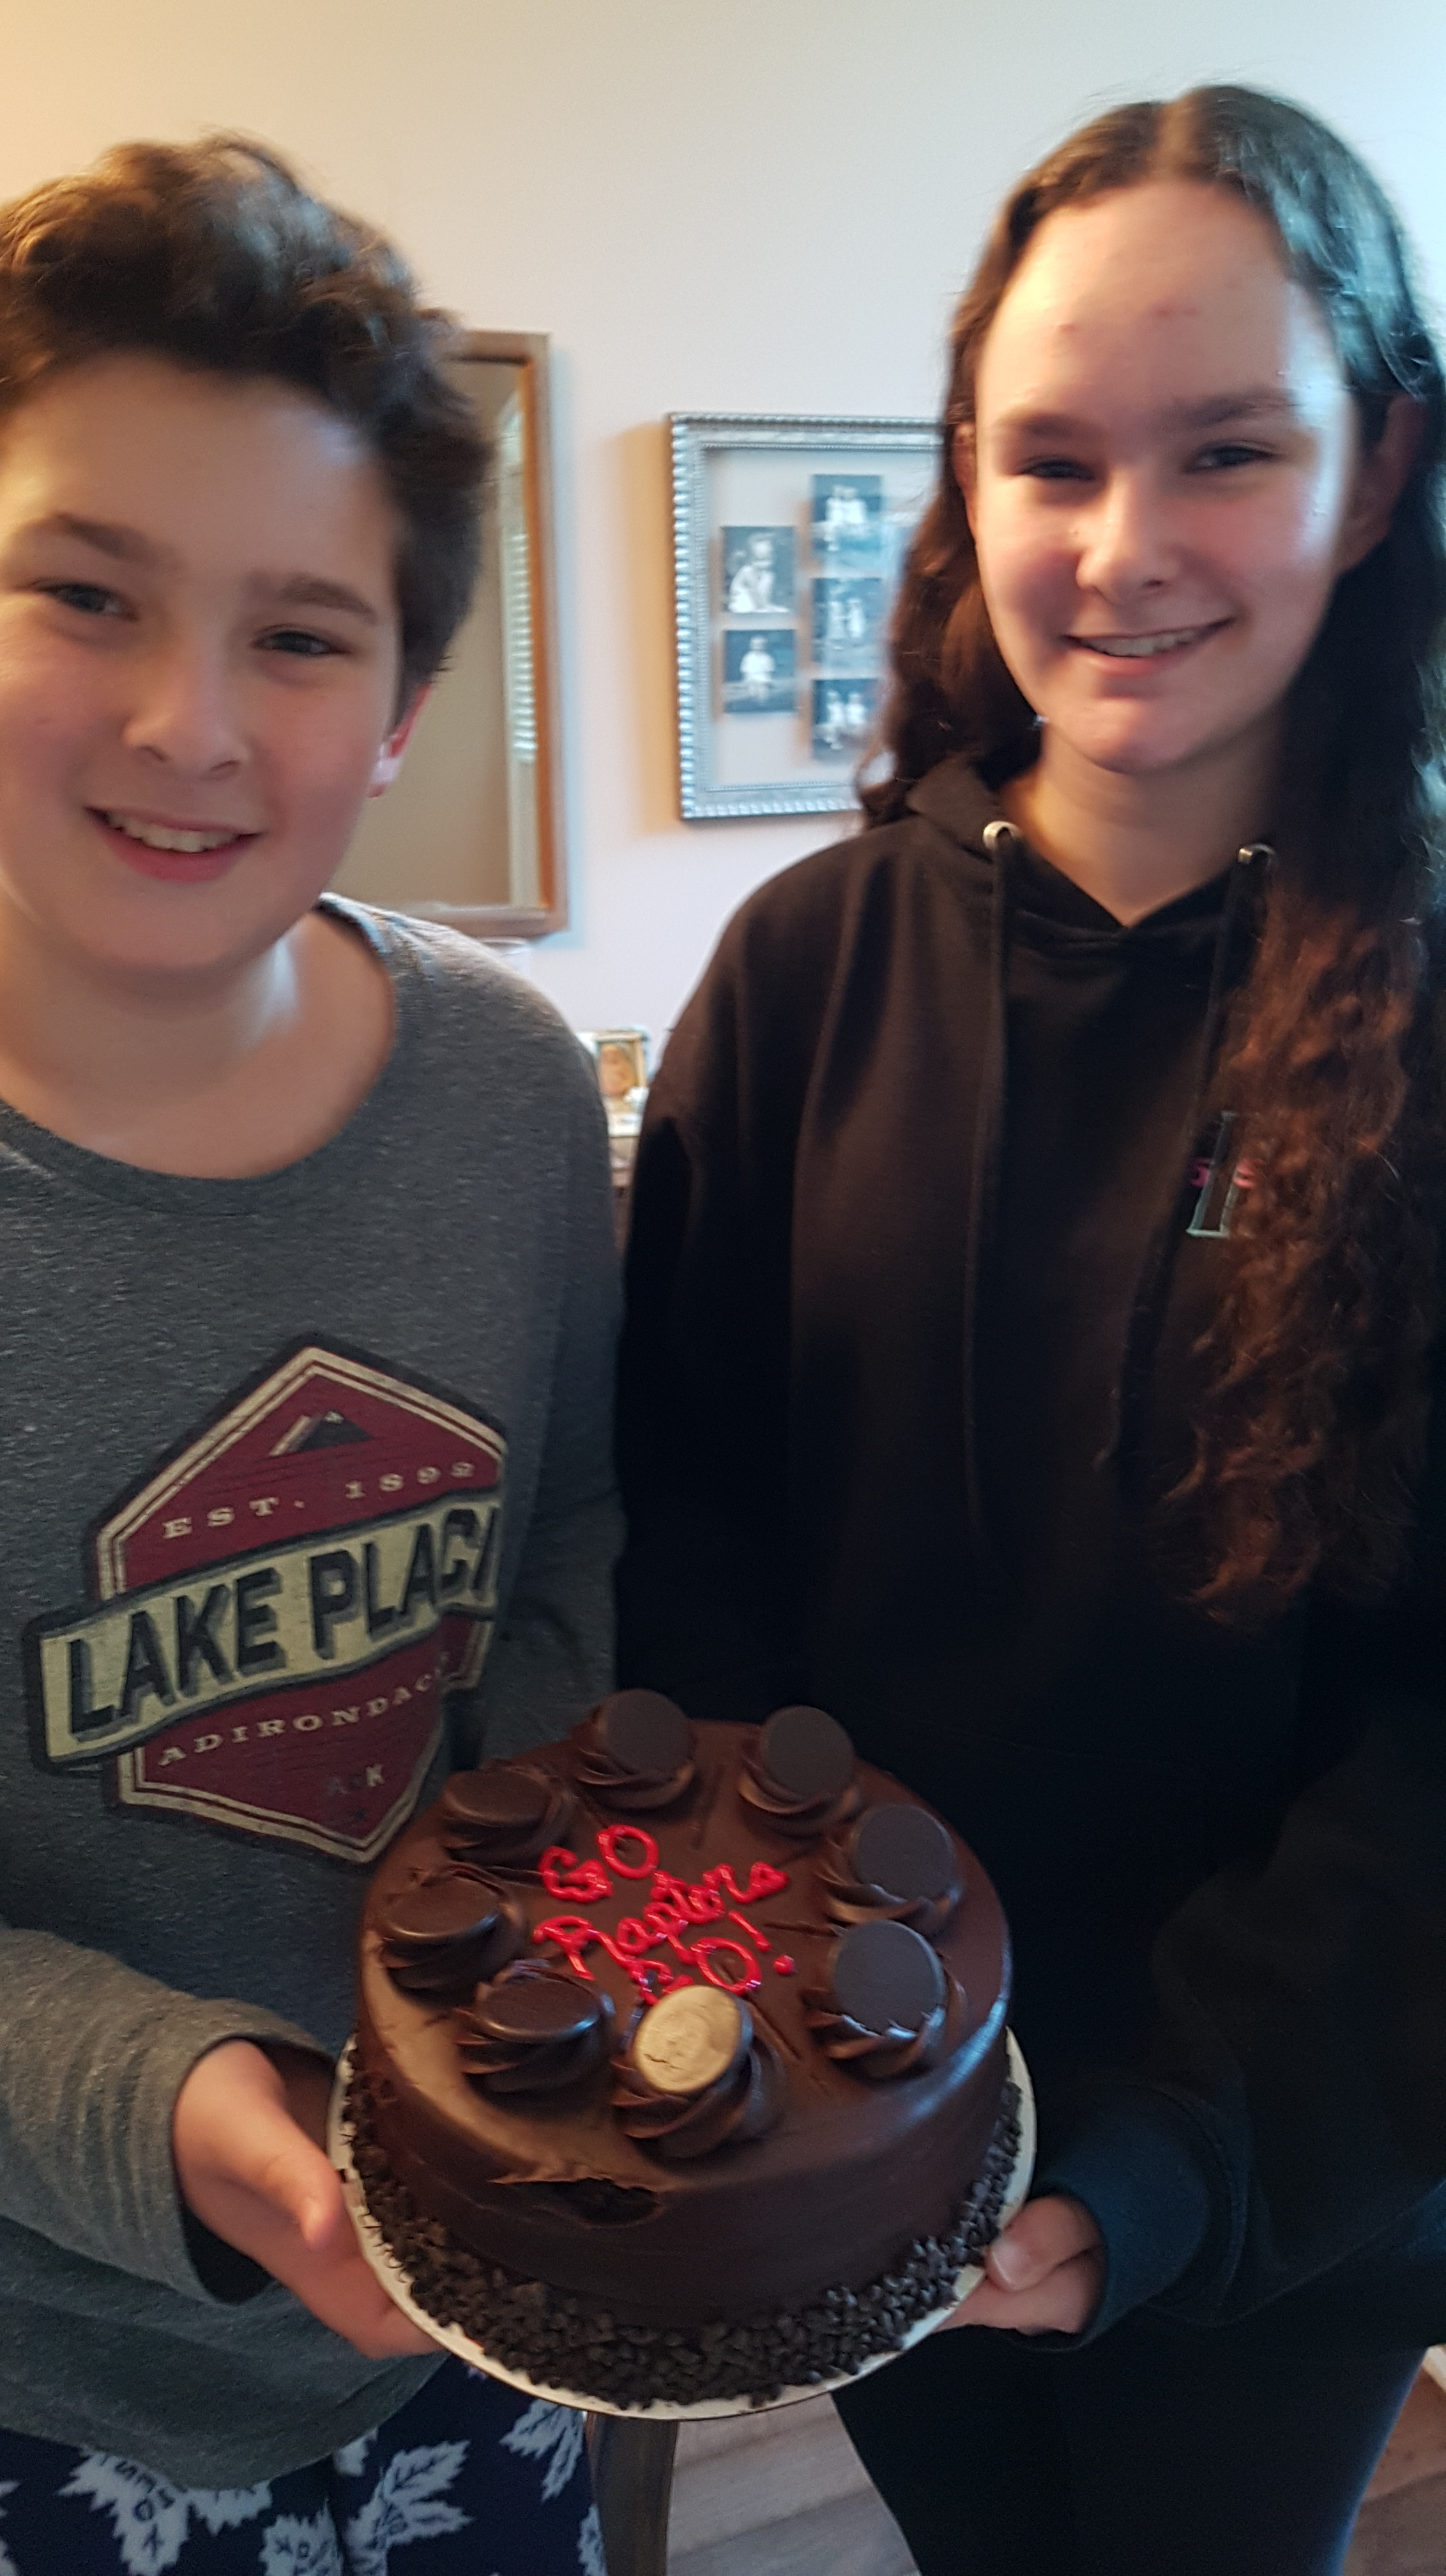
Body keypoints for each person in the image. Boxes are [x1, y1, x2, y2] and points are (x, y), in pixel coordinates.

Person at [616, 84, 1446, 2576]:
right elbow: (691, 1536)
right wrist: (811, 2042)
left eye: (1225, 453)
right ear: (963, 477)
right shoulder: (802, 971)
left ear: (1378, 472)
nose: (1122, 547)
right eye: (1051, 458)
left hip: (1283, 2177)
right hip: (864, 2124)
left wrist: (1159, 2164)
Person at [0, 139, 615, 2572]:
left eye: (299, 634)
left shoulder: (507, 1093)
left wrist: (531, 1924)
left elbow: (565, 1530)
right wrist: (180, 2110)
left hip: (478, 2319)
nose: (188, 724)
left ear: (401, 710)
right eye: (86, 593)